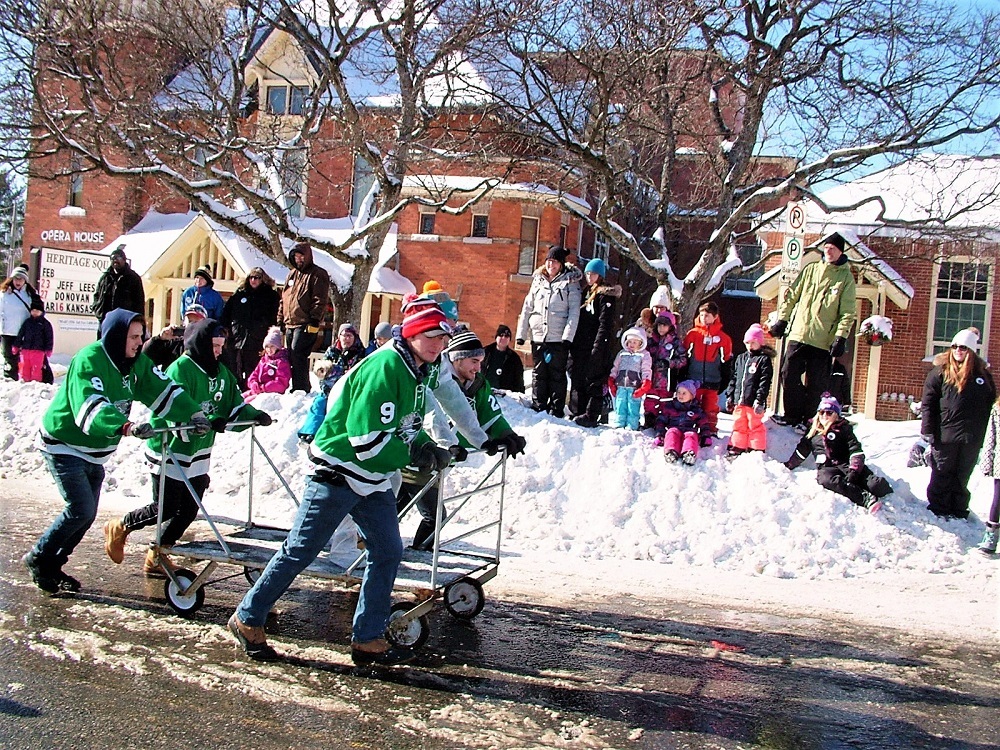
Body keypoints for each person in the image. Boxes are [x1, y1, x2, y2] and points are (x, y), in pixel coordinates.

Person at [228, 296, 454, 665]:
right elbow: (366, 443)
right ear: (411, 336)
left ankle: (367, 637)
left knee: (387, 550)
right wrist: (414, 455)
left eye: (441, 337)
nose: (437, 344)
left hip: (372, 479)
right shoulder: (385, 368)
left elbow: (406, 427)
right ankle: (247, 617)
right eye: (430, 336)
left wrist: (431, 446)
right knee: (300, 550)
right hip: (336, 472)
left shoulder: (417, 370)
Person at [23, 309, 209, 594]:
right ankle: (39, 558)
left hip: (96, 451)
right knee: (81, 509)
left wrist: (193, 413)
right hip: (64, 445)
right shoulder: (89, 359)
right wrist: (124, 426)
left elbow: (163, 389)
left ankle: (54, 563)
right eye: (133, 337)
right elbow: (90, 404)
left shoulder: (136, 363)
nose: (139, 342)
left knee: (86, 514)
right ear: (115, 336)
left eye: (141, 336)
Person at [103, 318, 271, 576]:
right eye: (214, 345)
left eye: (221, 346)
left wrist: (253, 415)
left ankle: (158, 553)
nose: (218, 351)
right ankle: (121, 526)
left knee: (189, 509)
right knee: (165, 507)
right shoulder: (181, 369)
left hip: (198, 452)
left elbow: (233, 405)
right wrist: (201, 421)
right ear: (200, 343)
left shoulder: (221, 372)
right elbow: (172, 408)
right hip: (169, 448)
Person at [398, 326, 527, 550]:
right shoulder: (435, 376)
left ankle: (410, 549)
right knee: (411, 509)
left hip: (438, 463)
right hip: (416, 455)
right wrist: (440, 445)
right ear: (457, 359)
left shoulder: (478, 385)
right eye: (474, 361)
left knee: (407, 507)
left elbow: (490, 414)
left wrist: (506, 435)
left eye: (480, 361)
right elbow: (427, 414)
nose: (479, 367)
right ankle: (381, 544)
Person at [768, 231, 857, 430]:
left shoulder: (845, 279)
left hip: (823, 340)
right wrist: (782, 319)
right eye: (826, 248)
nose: (828, 251)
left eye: (833, 248)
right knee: (788, 373)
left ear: (840, 251)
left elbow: (847, 312)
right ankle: (792, 415)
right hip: (799, 333)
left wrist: (840, 337)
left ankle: (808, 419)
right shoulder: (810, 270)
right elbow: (792, 296)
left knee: (817, 383)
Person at [920, 327, 996, 519]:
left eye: (962, 347)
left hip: (972, 436)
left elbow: (991, 404)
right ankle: (939, 508)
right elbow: (928, 403)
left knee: (963, 474)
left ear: (971, 351)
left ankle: (958, 509)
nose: (958, 351)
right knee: (942, 472)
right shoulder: (940, 373)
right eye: (954, 347)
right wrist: (927, 429)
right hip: (945, 434)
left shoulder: (982, 377)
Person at [783, 394, 890, 513]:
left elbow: (855, 450)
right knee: (827, 480)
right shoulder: (812, 432)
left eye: (829, 413)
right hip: (827, 468)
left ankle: (887, 494)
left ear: (836, 415)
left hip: (846, 465)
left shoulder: (843, 429)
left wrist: (854, 470)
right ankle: (865, 498)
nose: (825, 416)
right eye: (822, 412)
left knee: (876, 485)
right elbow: (801, 451)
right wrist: (789, 465)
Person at [515, 245, 582, 417]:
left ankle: (556, 409)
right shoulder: (538, 281)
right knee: (539, 372)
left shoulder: (570, 283)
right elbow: (527, 307)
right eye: (549, 261)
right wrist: (521, 334)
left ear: (561, 264)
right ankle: (539, 405)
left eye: (555, 262)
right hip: (538, 335)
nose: (551, 265)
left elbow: (574, 312)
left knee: (556, 374)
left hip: (558, 337)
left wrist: (568, 336)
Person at [570, 258, 619, 427]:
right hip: (581, 344)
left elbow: (605, 324)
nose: (590, 277)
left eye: (593, 274)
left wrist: (599, 346)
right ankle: (579, 410)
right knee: (579, 378)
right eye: (588, 273)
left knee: (595, 380)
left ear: (600, 275)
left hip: (597, 344)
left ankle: (592, 414)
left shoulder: (605, 295)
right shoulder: (585, 293)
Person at [297, 323, 366, 442]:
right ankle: (310, 432)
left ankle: (328, 436)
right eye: (344, 335)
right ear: (339, 336)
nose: (347, 339)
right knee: (319, 403)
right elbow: (322, 374)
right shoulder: (332, 351)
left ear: (355, 337)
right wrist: (327, 389)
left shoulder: (360, 353)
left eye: (350, 335)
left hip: (349, 392)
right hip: (330, 389)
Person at [278, 241, 331, 392]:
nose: (298, 259)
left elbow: (320, 299)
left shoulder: (317, 274)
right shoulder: (291, 274)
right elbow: (284, 298)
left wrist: (315, 319)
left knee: (298, 354)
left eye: (301, 256)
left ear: (307, 256)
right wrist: (280, 319)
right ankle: (295, 386)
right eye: (295, 256)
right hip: (290, 323)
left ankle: (301, 388)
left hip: (306, 323)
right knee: (291, 356)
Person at [221, 267, 280, 390]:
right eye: (251, 277)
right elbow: (226, 313)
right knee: (234, 368)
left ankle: (250, 393)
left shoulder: (270, 296)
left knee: (252, 369)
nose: (253, 280)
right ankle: (234, 391)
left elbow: (275, 318)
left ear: (263, 279)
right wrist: (226, 328)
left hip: (257, 339)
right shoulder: (240, 294)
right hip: (236, 338)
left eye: (257, 277)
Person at [724, 323, 775, 458]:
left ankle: (756, 448)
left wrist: (760, 399)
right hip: (739, 400)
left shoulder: (763, 360)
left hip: (753, 401)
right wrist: (730, 395)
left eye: (753, 342)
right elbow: (734, 378)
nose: (750, 345)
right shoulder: (741, 358)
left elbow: (765, 382)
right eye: (747, 342)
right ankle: (737, 445)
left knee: (755, 425)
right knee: (739, 423)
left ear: (760, 342)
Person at [683, 300, 733, 437]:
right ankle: (690, 428)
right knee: (692, 405)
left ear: (715, 316)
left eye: (707, 315)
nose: (704, 318)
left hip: (713, 379)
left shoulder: (723, 338)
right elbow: (684, 356)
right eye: (702, 315)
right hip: (694, 379)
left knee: (710, 408)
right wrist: (683, 375)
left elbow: (727, 361)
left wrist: (725, 379)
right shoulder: (693, 334)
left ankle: (709, 430)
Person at [643, 310, 687, 425]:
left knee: (665, 403)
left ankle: (662, 423)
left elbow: (683, 359)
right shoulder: (651, 340)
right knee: (650, 401)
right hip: (652, 379)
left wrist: (669, 363)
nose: (661, 328)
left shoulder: (675, 342)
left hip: (667, 381)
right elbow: (645, 355)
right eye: (659, 325)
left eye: (665, 325)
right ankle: (649, 421)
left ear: (670, 327)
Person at [653, 379, 709, 465]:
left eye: (684, 393)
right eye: (678, 392)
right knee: (671, 432)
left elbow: (703, 423)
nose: (680, 395)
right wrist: (660, 434)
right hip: (674, 428)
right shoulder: (670, 406)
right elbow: (661, 420)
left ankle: (689, 453)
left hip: (689, 430)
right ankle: (671, 452)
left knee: (692, 436)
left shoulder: (696, 409)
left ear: (692, 395)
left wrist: (705, 436)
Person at [607, 327, 652, 431]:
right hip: (621, 384)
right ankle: (619, 422)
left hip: (635, 386)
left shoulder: (644, 355)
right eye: (629, 342)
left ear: (640, 343)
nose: (631, 344)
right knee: (620, 403)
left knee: (633, 405)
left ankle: (632, 424)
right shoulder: (622, 353)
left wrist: (646, 382)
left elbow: (646, 369)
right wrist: (612, 378)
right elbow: (615, 367)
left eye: (635, 342)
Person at [92, 245, 145, 331]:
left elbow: (139, 303)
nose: (115, 260)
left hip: (124, 323)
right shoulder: (105, 278)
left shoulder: (133, 278)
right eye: (112, 258)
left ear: (124, 260)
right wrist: (98, 312)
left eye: (118, 258)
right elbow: (97, 296)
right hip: (105, 322)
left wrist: (136, 322)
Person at [142, 304, 209, 370]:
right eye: (190, 321)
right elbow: (145, 357)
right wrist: (160, 339)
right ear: (184, 323)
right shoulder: (174, 343)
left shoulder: (210, 347)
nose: (193, 325)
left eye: (197, 322)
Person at [2, 266, 38, 380]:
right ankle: (10, 378)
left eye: (21, 279)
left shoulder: (30, 294)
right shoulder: (4, 294)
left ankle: (25, 379)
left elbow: (38, 309)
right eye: (16, 278)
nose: (18, 281)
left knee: (24, 358)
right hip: (8, 331)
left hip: (24, 332)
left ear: (25, 280)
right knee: (9, 357)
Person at [976, 396, 1000, 555]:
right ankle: (991, 536)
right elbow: (990, 438)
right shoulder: (997, 410)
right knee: (998, 499)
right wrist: (986, 463)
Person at [244, 326, 292, 400]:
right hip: (258, 390)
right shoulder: (264, 360)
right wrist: (253, 383)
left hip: (271, 394)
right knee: (240, 399)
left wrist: (263, 388)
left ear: (278, 347)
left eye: (272, 346)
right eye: (267, 346)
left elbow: (281, 383)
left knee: (247, 403)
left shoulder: (281, 362)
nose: (269, 349)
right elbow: (254, 374)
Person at [14, 298, 54, 383]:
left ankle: (35, 383)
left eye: (37, 311)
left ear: (42, 312)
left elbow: (49, 337)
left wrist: (48, 349)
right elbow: (21, 334)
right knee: (25, 366)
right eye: (33, 310)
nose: (35, 312)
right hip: (26, 349)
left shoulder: (45, 324)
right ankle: (24, 381)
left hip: (38, 350)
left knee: (36, 368)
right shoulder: (27, 322)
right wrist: (16, 345)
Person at [482, 324, 525, 393]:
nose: (504, 338)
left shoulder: (514, 358)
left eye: (507, 336)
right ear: (496, 337)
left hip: (504, 395)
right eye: (501, 335)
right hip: (484, 391)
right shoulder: (485, 352)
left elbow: (519, 380)